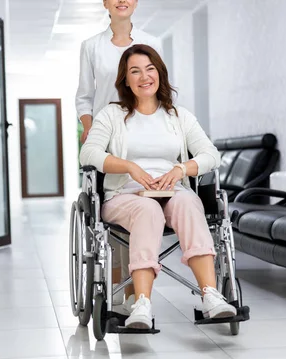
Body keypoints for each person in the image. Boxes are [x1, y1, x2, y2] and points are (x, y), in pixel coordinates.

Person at [79, 44, 237, 329]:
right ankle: (141, 303)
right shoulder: (111, 115)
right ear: (125, 80)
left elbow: (210, 155)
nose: (144, 76)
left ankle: (210, 296)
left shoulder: (179, 116)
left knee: (190, 203)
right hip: (125, 196)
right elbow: (88, 154)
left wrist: (180, 170)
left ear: (160, 74)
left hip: (173, 191)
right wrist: (129, 167)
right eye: (135, 71)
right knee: (148, 210)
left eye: (150, 69)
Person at [75, 0, 162, 310]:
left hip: (144, 136)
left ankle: (133, 296)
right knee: (113, 218)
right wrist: (90, 130)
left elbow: (158, 89)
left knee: (141, 207)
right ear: (105, 3)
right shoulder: (91, 46)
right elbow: (85, 97)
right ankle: (119, 292)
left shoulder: (152, 42)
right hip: (107, 139)